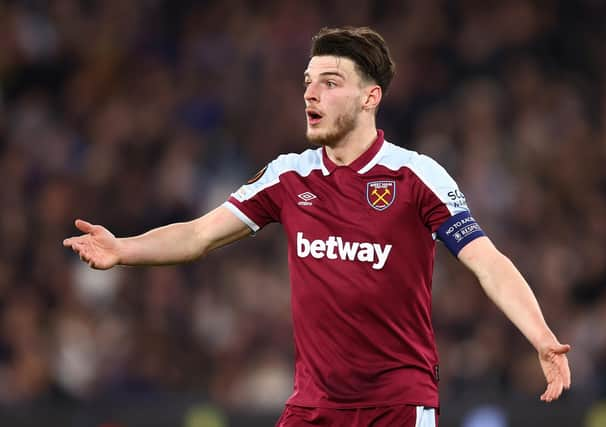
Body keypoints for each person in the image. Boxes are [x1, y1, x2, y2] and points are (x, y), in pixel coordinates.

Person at [63, 26, 571, 427]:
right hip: (314, 408)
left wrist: (542, 336)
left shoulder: (416, 175)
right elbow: (199, 235)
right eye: (308, 82)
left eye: (330, 83)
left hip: (396, 406)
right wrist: (122, 249)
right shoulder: (290, 175)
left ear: (370, 97)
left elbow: (487, 262)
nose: (312, 94)